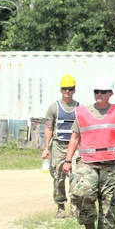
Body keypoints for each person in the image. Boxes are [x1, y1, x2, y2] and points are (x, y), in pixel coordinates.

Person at [61, 74, 115, 229]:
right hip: (87, 162)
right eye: (96, 91)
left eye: (103, 92)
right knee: (83, 194)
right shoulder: (83, 113)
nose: (99, 95)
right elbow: (75, 137)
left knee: (110, 200)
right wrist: (68, 160)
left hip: (112, 163)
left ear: (111, 93)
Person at [41, 74, 80, 219]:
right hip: (58, 146)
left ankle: (74, 208)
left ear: (74, 90)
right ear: (61, 90)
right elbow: (49, 128)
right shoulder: (54, 108)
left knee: (75, 176)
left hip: (74, 146)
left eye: (70, 89)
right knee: (58, 177)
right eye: (65, 89)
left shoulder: (79, 108)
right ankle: (60, 207)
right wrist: (46, 148)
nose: (67, 92)